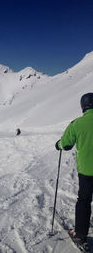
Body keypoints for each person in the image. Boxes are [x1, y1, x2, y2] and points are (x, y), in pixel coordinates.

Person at [56, 93, 93, 247]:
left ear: (83, 106)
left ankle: (80, 235)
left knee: (84, 201)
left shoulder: (77, 124)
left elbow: (66, 144)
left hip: (87, 171)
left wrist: (59, 144)